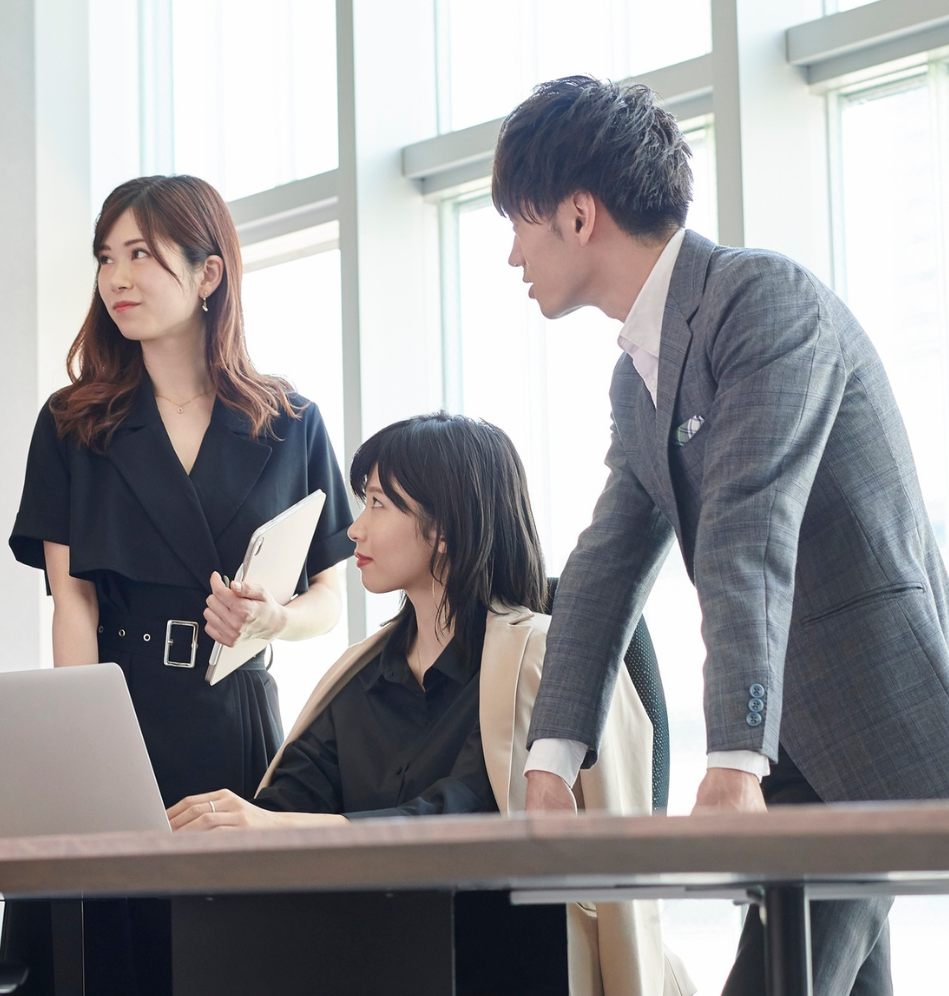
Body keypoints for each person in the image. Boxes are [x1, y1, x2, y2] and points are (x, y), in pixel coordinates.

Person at [500, 77, 949, 996]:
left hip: (866, 733)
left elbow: (748, 529)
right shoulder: (637, 377)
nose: (511, 254)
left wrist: (732, 759)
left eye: (519, 223)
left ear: (578, 215)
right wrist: (551, 758)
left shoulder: (761, 301)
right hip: (797, 746)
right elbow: (607, 566)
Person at [166, 413, 691, 996]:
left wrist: (279, 829)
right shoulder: (358, 676)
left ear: (444, 526)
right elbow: (289, 799)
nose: (354, 531)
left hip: (506, 961)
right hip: (379, 953)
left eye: (378, 505)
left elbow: (468, 818)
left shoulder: (539, 657)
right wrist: (236, 825)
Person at [3, 174, 352, 996]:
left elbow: (332, 602)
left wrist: (274, 621)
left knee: (231, 961)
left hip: (235, 724)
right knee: (105, 961)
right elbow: (73, 605)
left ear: (208, 275)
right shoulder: (72, 423)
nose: (117, 278)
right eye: (106, 258)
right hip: (114, 716)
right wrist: (84, 740)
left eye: (141, 256)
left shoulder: (290, 420)